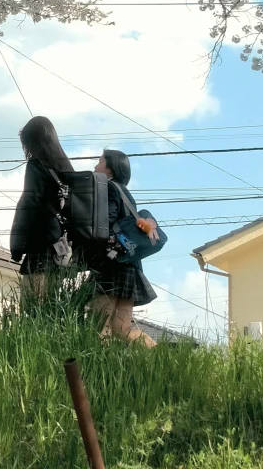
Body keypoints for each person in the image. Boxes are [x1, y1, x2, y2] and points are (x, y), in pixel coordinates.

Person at [87, 148, 159, 346]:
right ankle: (160, 357)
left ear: (110, 169)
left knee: (97, 327)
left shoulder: (109, 188)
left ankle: (97, 372)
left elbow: (105, 226)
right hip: (129, 267)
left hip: (111, 266)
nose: (95, 165)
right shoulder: (127, 194)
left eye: (100, 161)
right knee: (122, 328)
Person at [9, 115, 73, 300]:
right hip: (62, 249)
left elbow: (29, 204)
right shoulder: (67, 167)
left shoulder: (37, 165)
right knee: (53, 308)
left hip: (39, 245)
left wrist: (17, 247)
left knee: (32, 308)